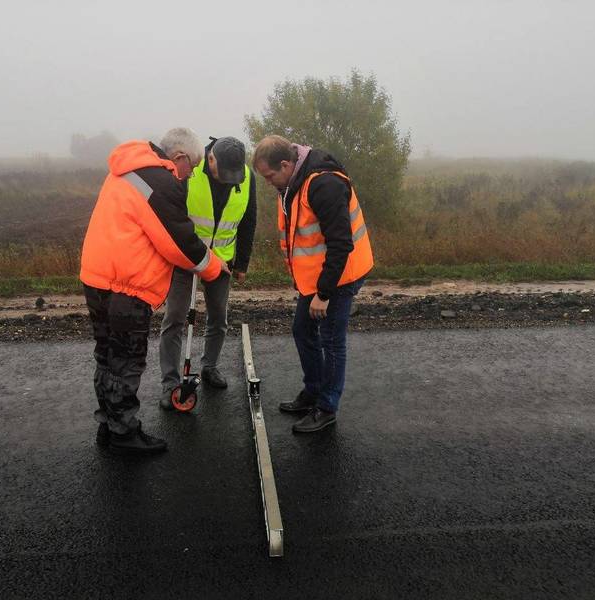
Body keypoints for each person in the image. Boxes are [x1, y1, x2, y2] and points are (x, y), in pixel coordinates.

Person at [79, 128, 230, 453]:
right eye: (191, 167)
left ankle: (108, 425)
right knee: (126, 360)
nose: (189, 176)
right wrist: (215, 268)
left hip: (97, 278)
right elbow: (181, 244)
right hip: (126, 285)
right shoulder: (161, 183)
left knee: (106, 356)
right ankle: (123, 434)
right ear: (179, 158)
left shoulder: (128, 168)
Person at [252, 135, 374, 433]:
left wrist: (323, 294)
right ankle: (314, 391)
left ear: (285, 164)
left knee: (332, 339)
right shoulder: (292, 181)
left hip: (341, 274)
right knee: (303, 329)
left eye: (269, 176)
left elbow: (341, 243)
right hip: (321, 275)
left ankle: (327, 406)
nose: (268, 182)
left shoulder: (323, 183)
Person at [159, 136, 256, 404]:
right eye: (222, 173)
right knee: (175, 318)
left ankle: (209, 367)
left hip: (222, 261)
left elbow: (249, 219)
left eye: (232, 176)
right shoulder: (190, 171)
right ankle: (170, 383)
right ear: (211, 158)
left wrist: (242, 262)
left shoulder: (245, 176)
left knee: (218, 318)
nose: (227, 180)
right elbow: (172, 214)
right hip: (185, 258)